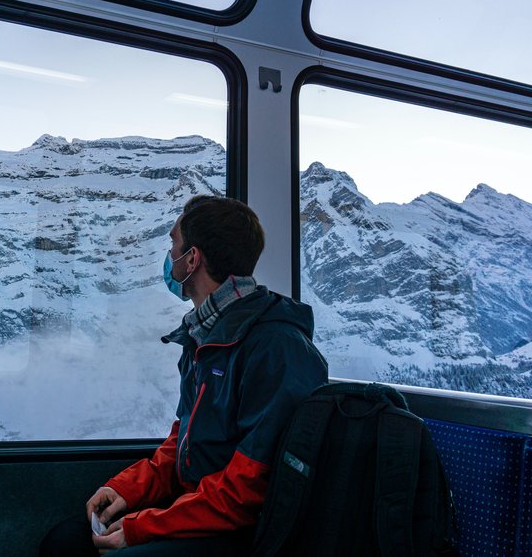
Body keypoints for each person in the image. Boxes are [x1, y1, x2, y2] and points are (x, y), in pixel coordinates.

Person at [39, 195, 329, 556]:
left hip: (241, 530)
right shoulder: (205, 337)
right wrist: (127, 489)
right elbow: (186, 440)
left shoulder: (275, 347)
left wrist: (142, 527)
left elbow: (248, 489)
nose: (169, 254)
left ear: (192, 259)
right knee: (65, 541)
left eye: (174, 243)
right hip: (201, 508)